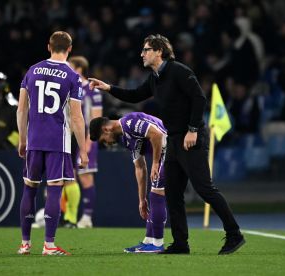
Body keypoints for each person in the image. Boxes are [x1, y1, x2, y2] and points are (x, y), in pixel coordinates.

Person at [89, 34, 245, 255]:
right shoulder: (155, 78)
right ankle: (181, 243)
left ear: (159, 51)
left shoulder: (178, 70)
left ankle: (234, 233)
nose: (142, 54)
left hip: (191, 138)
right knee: (172, 193)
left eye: (146, 50)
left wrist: (192, 130)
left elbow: (199, 98)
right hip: (173, 139)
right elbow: (134, 96)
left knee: (204, 189)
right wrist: (109, 88)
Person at [16, 31, 88, 256]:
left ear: (49, 46)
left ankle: (25, 244)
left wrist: (22, 139)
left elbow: (21, 109)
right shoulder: (72, 76)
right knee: (54, 189)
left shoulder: (32, 70)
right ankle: (49, 245)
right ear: (70, 49)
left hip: (34, 139)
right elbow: (76, 117)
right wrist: (84, 150)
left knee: (30, 188)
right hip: (58, 141)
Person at [89, 112, 167, 253]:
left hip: (171, 148)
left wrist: (155, 163)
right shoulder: (126, 138)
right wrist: (141, 199)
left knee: (157, 194)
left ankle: (157, 244)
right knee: (153, 196)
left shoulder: (129, 123)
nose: (106, 143)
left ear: (106, 130)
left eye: (103, 140)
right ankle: (149, 241)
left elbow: (158, 135)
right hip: (164, 153)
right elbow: (140, 167)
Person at [68, 56, 103, 228]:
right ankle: (68, 216)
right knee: (68, 177)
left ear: (79, 69)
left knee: (86, 177)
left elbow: (96, 118)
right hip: (69, 139)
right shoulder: (69, 88)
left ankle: (87, 217)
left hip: (86, 138)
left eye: (70, 66)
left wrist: (89, 141)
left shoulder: (91, 90)